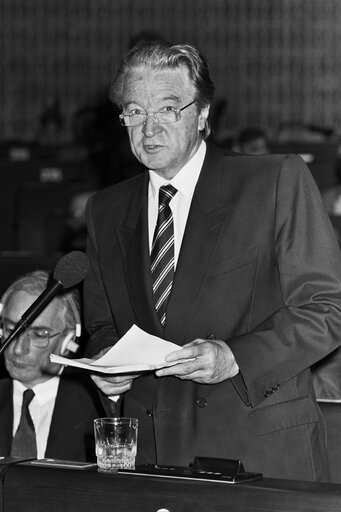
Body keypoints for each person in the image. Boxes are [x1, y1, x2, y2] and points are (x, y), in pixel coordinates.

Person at [83, 40, 341, 481]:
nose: (150, 129)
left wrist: (235, 356)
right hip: (148, 461)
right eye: (135, 111)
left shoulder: (273, 182)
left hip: (259, 452)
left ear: (202, 115)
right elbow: (103, 326)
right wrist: (106, 364)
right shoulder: (106, 209)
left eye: (168, 109)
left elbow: (327, 309)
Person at [0, 270, 105, 461]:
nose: (17, 349)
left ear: (68, 341)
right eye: (10, 330)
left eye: (39, 334)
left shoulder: (98, 409)